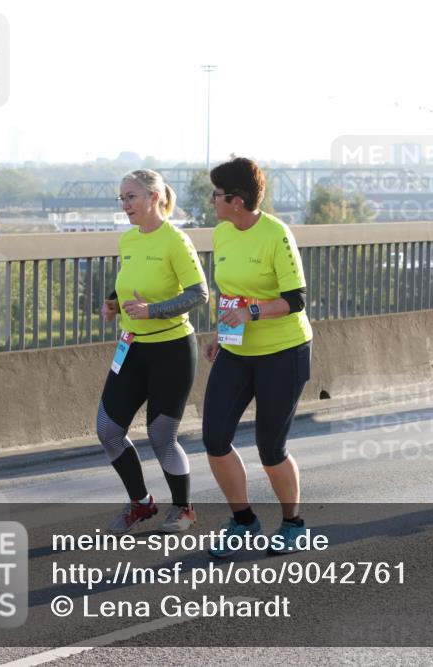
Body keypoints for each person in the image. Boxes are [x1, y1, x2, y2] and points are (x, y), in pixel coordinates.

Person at [200, 157, 313, 557]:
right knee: (213, 437)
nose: (211, 199)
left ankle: (293, 523)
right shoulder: (223, 233)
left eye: (216, 194)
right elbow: (231, 292)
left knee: (271, 447)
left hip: (283, 352)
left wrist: (250, 313)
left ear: (236, 200)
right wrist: (222, 332)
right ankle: (244, 519)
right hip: (236, 349)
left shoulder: (275, 234)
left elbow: (295, 299)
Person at [97, 169, 209, 534]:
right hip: (133, 347)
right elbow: (131, 286)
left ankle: (183, 509)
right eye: (122, 198)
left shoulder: (175, 240)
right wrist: (114, 303)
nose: (125, 204)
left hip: (171, 350)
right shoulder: (128, 241)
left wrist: (153, 310)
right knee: (108, 429)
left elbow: (198, 294)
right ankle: (141, 504)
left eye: (131, 196)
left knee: (161, 437)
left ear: (154, 197)